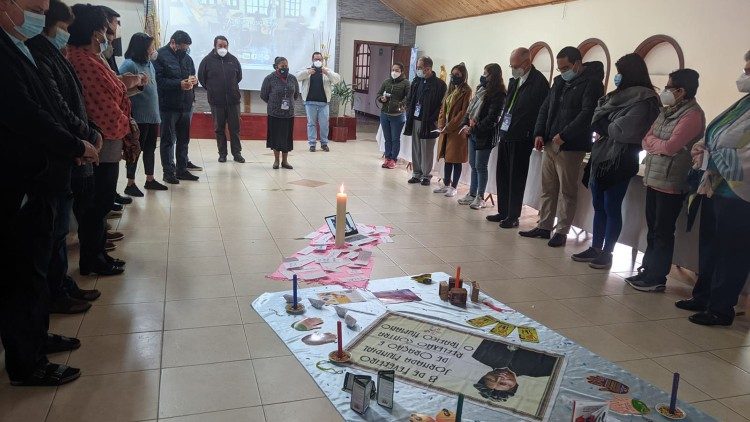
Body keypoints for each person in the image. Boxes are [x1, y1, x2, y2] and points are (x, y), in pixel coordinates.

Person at [1, 0, 99, 386]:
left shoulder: (19, 46)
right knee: (23, 275)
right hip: (20, 182)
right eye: (31, 6)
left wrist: (77, 139)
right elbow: (28, 114)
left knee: (36, 267)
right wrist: (76, 145)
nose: (38, 15)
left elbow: (53, 105)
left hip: (41, 175)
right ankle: (27, 363)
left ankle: (37, 339)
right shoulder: (7, 53)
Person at [27, 0, 104, 313]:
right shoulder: (35, 54)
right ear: (51, 25)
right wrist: (82, 138)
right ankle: (55, 293)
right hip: (58, 154)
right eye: (64, 28)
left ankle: (61, 286)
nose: (66, 34)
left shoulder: (51, 53)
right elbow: (55, 107)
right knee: (53, 233)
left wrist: (90, 129)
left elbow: (74, 102)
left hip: (73, 145)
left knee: (59, 230)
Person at [675, 51, 750, 326]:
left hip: (740, 195)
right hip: (716, 188)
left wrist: (714, 155)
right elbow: (718, 133)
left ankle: (721, 308)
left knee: (732, 252)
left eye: (749, 70)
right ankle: (703, 294)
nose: (744, 75)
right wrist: (704, 146)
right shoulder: (744, 102)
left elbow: (744, 153)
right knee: (710, 246)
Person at [572, 53, 660, 269]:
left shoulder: (645, 99)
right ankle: (596, 247)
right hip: (601, 155)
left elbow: (623, 130)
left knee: (612, 205)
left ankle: (608, 252)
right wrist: (604, 122)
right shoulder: (615, 96)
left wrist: (604, 122)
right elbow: (596, 118)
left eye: (621, 73)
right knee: (598, 205)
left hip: (621, 158)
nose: (617, 77)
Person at [68, 3, 134, 276]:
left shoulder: (93, 57)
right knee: (96, 203)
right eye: (107, 29)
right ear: (96, 32)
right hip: (100, 141)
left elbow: (114, 92)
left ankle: (97, 254)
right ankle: (92, 259)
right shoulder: (82, 60)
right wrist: (125, 124)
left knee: (101, 202)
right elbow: (103, 107)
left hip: (107, 139)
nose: (109, 35)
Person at [626, 69, 705, 292]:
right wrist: (659, 146)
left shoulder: (692, 115)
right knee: (652, 229)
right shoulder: (667, 111)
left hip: (672, 181)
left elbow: (672, 146)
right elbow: (646, 139)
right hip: (654, 177)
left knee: (663, 231)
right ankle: (647, 270)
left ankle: (657, 277)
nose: (666, 91)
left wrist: (659, 146)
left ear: (682, 91)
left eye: (670, 88)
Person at [520, 47, 604, 246]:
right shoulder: (559, 82)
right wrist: (539, 132)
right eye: (559, 68)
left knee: (567, 191)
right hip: (550, 141)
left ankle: (562, 231)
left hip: (571, 146)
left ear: (577, 63)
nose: (562, 71)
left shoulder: (592, 84)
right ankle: (544, 226)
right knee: (548, 188)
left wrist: (564, 135)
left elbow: (586, 114)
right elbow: (545, 108)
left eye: (565, 67)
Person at [487, 48, 550, 228]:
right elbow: (509, 105)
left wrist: (536, 132)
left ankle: (513, 216)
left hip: (523, 136)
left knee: (516, 177)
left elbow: (541, 111)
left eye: (515, 66)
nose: (513, 69)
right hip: (506, 133)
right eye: (511, 66)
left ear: (527, 63)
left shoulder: (539, 83)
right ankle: (503, 211)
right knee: (503, 174)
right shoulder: (514, 80)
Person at [121, 32, 168, 196]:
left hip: (153, 115)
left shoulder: (149, 64)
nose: (153, 49)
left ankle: (150, 179)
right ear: (142, 47)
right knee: (135, 149)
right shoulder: (129, 64)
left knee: (149, 148)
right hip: (138, 117)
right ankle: (130, 183)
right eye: (150, 46)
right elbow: (121, 87)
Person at [458, 63, 507, 209]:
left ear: (494, 76)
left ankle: (480, 197)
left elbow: (493, 118)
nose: (483, 76)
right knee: (473, 164)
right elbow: (470, 109)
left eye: (486, 73)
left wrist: (474, 128)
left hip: (485, 134)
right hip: (473, 132)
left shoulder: (499, 93)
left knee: (481, 165)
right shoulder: (480, 89)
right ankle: (472, 194)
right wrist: (466, 125)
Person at [154, 30, 200, 184]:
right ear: (173, 43)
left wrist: (193, 81)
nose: (185, 50)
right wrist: (179, 84)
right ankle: (168, 172)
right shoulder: (160, 56)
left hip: (185, 106)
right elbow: (158, 82)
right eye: (183, 47)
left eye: (187, 47)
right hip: (168, 106)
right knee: (168, 141)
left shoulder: (187, 59)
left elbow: (193, 76)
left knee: (184, 140)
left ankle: (182, 170)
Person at [198, 35, 245, 163]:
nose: (223, 48)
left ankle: (237, 153)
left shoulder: (233, 60)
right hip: (216, 101)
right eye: (220, 46)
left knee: (235, 128)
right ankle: (222, 154)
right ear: (215, 46)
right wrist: (213, 89)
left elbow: (238, 77)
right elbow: (202, 78)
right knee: (219, 129)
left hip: (233, 100)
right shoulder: (207, 61)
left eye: (225, 46)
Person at [404, 56, 447, 185]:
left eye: (419, 68)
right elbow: (411, 99)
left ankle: (426, 175)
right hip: (416, 119)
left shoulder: (439, 84)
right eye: (417, 67)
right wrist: (408, 110)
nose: (417, 70)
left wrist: (433, 119)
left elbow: (442, 105)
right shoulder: (417, 81)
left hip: (429, 122)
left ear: (428, 69)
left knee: (427, 149)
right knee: (416, 148)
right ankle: (416, 173)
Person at [434, 63, 472, 197]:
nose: (454, 77)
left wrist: (449, 126)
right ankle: (446, 184)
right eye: (453, 74)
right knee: (447, 158)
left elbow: (463, 112)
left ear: (463, 76)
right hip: (446, 130)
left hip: (456, 130)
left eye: (457, 75)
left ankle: (454, 187)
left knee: (456, 159)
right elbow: (443, 108)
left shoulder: (466, 90)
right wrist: (441, 124)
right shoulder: (450, 89)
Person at [296, 51, 341, 152]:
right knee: (311, 123)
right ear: (312, 60)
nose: (317, 61)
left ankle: (324, 143)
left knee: (324, 124)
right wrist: (307, 72)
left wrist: (327, 73)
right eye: (315, 59)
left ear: (322, 60)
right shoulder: (307, 69)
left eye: (319, 59)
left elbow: (337, 79)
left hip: (324, 103)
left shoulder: (326, 70)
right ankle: (312, 144)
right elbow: (297, 77)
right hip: (310, 102)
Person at [261, 56, 300, 169]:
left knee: (286, 138)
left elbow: (296, 94)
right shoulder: (269, 78)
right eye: (282, 66)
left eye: (286, 66)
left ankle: (285, 161)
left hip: (289, 114)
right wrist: (274, 103)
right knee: (276, 137)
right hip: (274, 114)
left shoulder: (292, 78)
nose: (285, 68)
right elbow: (263, 95)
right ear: (276, 67)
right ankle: (276, 161)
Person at [376, 62, 410, 169]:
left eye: (397, 70)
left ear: (402, 71)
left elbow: (409, 97)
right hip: (385, 114)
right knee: (387, 138)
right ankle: (387, 158)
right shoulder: (386, 82)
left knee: (395, 138)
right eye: (393, 70)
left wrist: (401, 104)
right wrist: (382, 98)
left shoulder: (406, 83)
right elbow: (379, 94)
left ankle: (393, 159)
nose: (394, 72)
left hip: (398, 115)